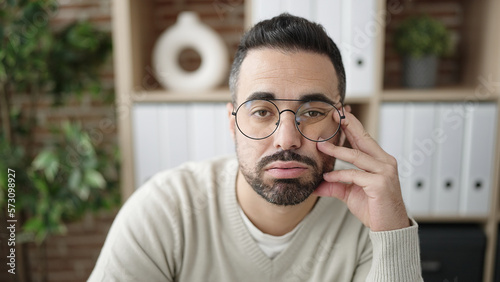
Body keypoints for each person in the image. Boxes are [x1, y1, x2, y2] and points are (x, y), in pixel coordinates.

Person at [89, 13, 422, 281]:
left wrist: (393, 232)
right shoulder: (164, 210)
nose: (287, 138)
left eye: (313, 112)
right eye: (262, 112)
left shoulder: (373, 216)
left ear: (343, 123)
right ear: (232, 123)